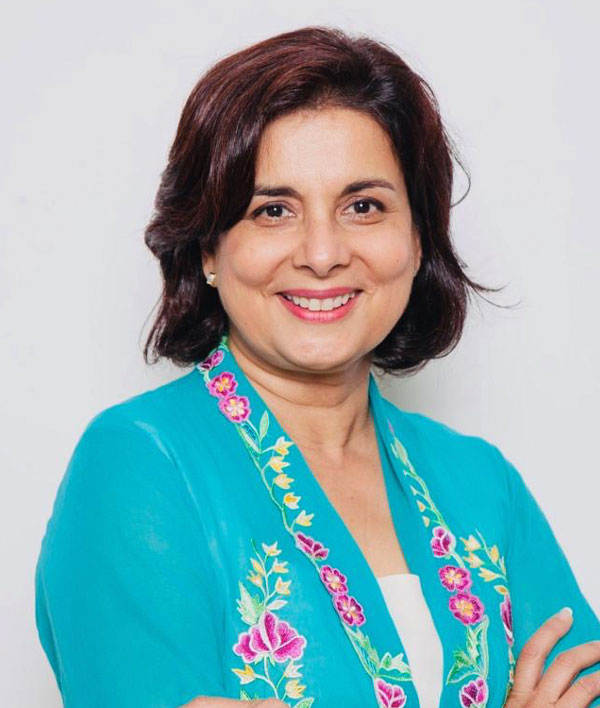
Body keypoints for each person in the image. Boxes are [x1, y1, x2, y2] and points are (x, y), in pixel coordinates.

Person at [35, 25, 600, 708]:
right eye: (273, 210)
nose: (323, 253)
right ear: (208, 249)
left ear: (418, 238)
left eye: (364, 207)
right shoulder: (138, 464)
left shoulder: (480, 481)